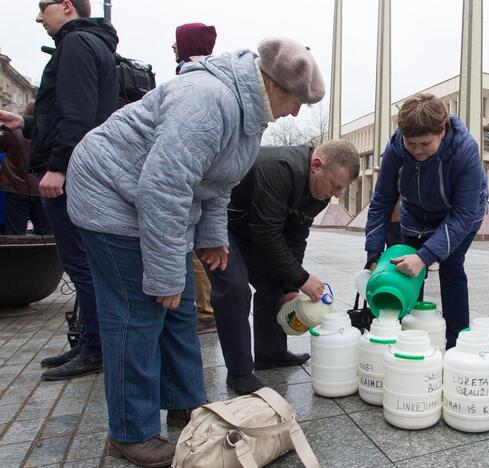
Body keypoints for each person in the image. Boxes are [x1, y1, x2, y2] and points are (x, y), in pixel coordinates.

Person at [65, 37, 325, 466]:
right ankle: (131, 433)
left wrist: (211, 236)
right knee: (138, 312)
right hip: (110, 194)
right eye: (296, 99)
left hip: (147, 201)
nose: (296, 111)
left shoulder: (248, 114)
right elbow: (164, 187)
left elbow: (217, 183)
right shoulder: (207, 100)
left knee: (181, 308)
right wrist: (165, 274)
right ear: (273, 84)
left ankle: (186, 405)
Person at [0, 0, 119, 380]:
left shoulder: (76, 44)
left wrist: (58, 166)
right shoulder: (88, 43)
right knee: (82, 265)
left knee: (82, 266)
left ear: (67, 6)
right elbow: (71, 112)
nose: (38, 17)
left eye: (43, 8)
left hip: (71, 173)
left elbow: (79, 114)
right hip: (79, 168)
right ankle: (87, 343)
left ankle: (95, 349)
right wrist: (27, 123)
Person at [208, 141, 359, 395]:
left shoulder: (319, 192)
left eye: (341, 189)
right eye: (335, 185)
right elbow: (267, 234)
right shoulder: (280, 168)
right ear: (316, 165)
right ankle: (240, 371)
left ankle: (270, 353)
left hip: (254, 226)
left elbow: (295, 237)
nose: (336, 194)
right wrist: (301, 279)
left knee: (274, 282)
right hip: (222, 219)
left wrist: (291, 285)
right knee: (234, 287)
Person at [365, 93, 488, 348]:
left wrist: (424, 257)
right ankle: (406, 338)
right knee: (404, 271)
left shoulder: (464, 151)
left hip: (460, 215)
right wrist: (374, 253)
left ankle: (457, 344)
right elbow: (382, 201)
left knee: (452, 267)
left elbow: (463, 214)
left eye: (425, 143)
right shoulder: (396, 150)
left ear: (441, 131)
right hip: (416, 213)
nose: (417, 151)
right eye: (411, 144)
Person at [172, 21, 219, 334]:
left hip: (194, 180)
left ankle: (206, 311)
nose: (173, 48)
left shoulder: (193, 80)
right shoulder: (206, 77)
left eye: (177, 43)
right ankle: (204, 309)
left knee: (196, 251)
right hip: (198, 178)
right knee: (197, 250)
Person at [0, 103, 51, 235]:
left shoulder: (12, 132)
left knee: (14, 233)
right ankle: (45, 256)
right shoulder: (50, 132)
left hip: (16, 189)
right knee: (46, 233)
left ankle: (16, 256)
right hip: (44, 187)